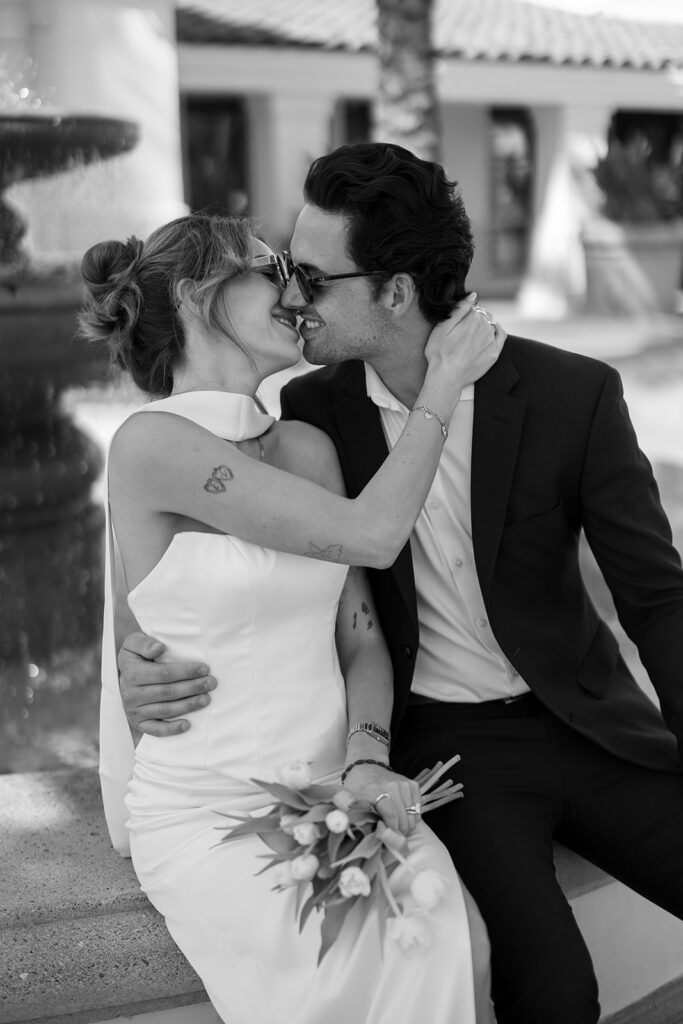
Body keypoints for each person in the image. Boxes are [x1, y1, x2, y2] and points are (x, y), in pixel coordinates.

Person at [119, 143, 683, 1024]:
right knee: (553, 990)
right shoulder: (312, 418)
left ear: (393, 290)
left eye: (309, 275)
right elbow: (190, 557)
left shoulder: (574, 394)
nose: (292, 296)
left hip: (589, 724)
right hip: (455, 750)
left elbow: (657, 598)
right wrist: (135, 658)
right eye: (280, 273)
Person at [82, 212, 501, 1024]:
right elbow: (374, 536)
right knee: (336, 978)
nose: (294, 289)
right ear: (202, 293)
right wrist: (444, 383)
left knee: (454, 939)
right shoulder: (149, 446)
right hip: (212, 816)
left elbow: (359, 637)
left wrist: (366, 758)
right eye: (269, 267)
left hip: (336, 789)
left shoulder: (307, 447)